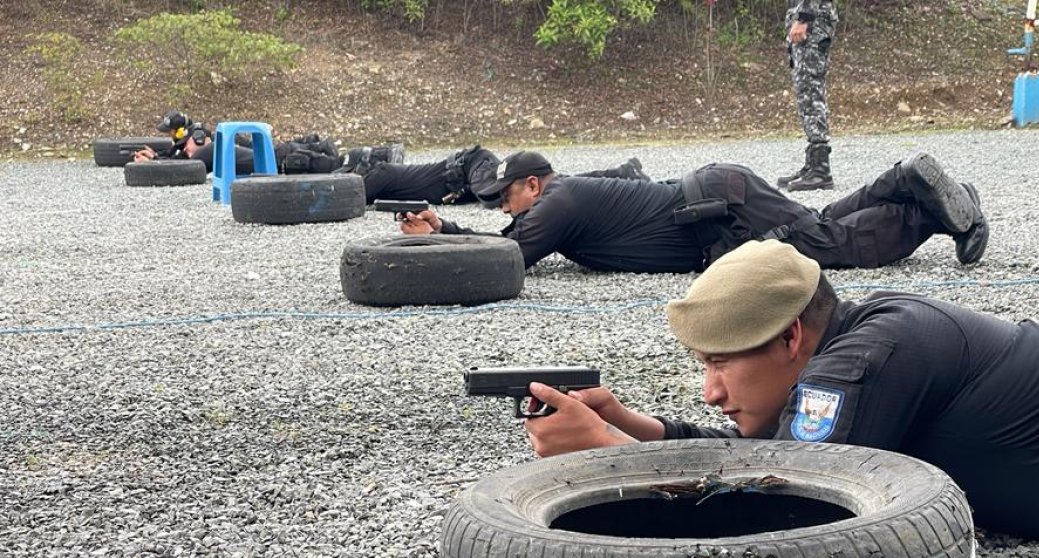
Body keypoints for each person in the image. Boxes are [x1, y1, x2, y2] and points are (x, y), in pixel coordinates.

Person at [523, 239, 1039, 551]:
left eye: (721, 362)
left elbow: (779, 502)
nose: (710, 389)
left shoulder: (873, 356)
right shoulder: (855, 349)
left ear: (789, 339)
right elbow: (769, 458)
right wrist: (640, 431)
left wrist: (610, 456)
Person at [398, 150, 989, 272]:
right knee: (817, 226)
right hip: (716, 199)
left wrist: (445, 236)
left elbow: (510, 255)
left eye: (507, 199)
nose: (508, 210)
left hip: (718, 209)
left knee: (832, 246)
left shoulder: (559, 202)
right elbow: (512, 237)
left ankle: (933, 213)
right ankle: (904, 182)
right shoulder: (565, 195)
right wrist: (445, 227)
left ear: (532, 185)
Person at [348, 144, 649, 207]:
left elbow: (353, 194)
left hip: (470, 166)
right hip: (467, 172)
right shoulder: (384, 174)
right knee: (544, 185)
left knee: (505, 194)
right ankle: (620, 174)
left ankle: (621, 174)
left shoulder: (380, 174)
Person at [131, 110, 344, 174]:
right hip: (262, 154)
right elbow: (179, 158)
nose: (183, 148)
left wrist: (154, 163)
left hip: (275, 158)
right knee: (279, 151)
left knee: (279, 153)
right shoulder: (200, 143)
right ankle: (317, 146)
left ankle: (321, 149)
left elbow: (188, 165)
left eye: (172, 133)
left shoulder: (206, 145)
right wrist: (156, 158)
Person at [777, 0, 838, 192]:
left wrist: (804, 18)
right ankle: (813, 164)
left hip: (813, 23)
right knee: (806, 92)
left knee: (811, 92)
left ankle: (821, 169)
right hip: (811, 20)